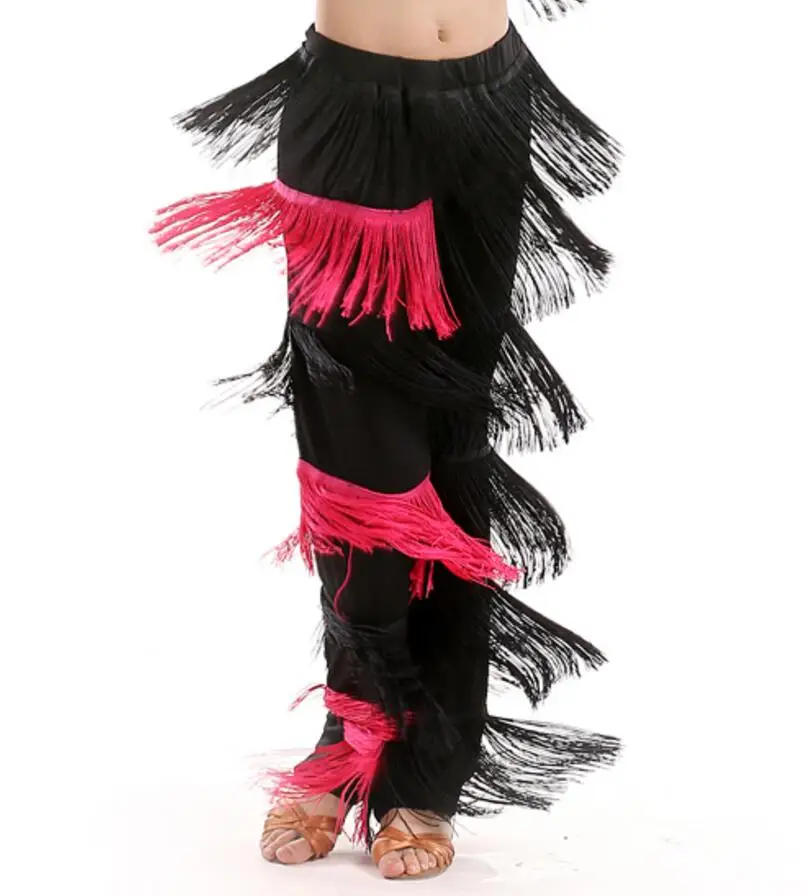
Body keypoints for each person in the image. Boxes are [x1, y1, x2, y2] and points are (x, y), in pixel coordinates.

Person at [151, 0, 622, 881]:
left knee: (454, 438)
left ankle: (432, 763)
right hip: (353, 112)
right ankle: (354, 730)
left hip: (491, 97)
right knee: (359, 459)